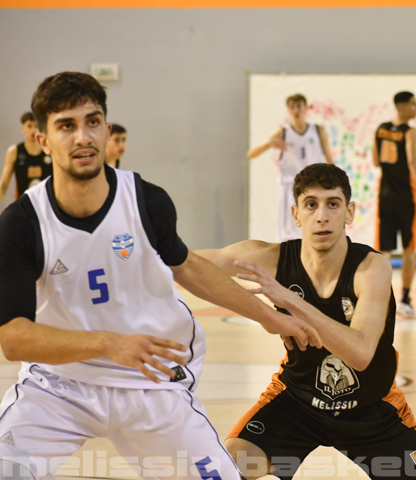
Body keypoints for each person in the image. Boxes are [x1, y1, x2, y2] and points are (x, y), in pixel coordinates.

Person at [0, 72, 319, 480]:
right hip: (58, 385)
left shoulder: (145, 201)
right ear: (42, 140)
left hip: (151, 378)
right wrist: (107, 342)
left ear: (107, 130)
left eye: (92, 122)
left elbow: (189, 267)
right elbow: (13, 338)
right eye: (66, 126)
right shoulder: (22, 223)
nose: (83, 137)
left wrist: (269, 317)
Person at [197, 163, 416, 480]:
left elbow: (360, 353)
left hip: (373, 409)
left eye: (333, 204)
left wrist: (290, 301)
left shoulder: (371, 268)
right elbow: (187, 265)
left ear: (349, 212)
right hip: (296, 402)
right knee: (224, 472)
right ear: (295, 214)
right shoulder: (270, 259)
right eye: (311, 205)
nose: (322, 216)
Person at [372, 92, 416, 319]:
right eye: (414, 104)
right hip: (408, 198)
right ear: (402, 107)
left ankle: (380, 300)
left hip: (386, 196)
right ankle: (405, 300)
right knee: (409, 250)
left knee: (383, 251)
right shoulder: (411, 132)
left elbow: (376, 161)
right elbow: (413, 161)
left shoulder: (380, 129)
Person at [247, 93, 333, 242]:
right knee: (290, 233)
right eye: (292, 107)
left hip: (315, 186)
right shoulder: (283, 132)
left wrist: (335, 182)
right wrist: (269, 144)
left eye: (299, 106)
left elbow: (329, 159)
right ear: (288, 110)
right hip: (290, 187)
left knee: (314, 227)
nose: (296, 110)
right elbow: (251, 154)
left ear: (306, 108)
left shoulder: (318, 130)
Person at [0, 112, 53, 204]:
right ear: (22, 128)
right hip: (23, 205)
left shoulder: (50, 150)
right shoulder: (14, 151)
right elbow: (4, 183)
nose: (33, 130)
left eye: (36, 126)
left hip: (48, 203)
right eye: (29, 126)